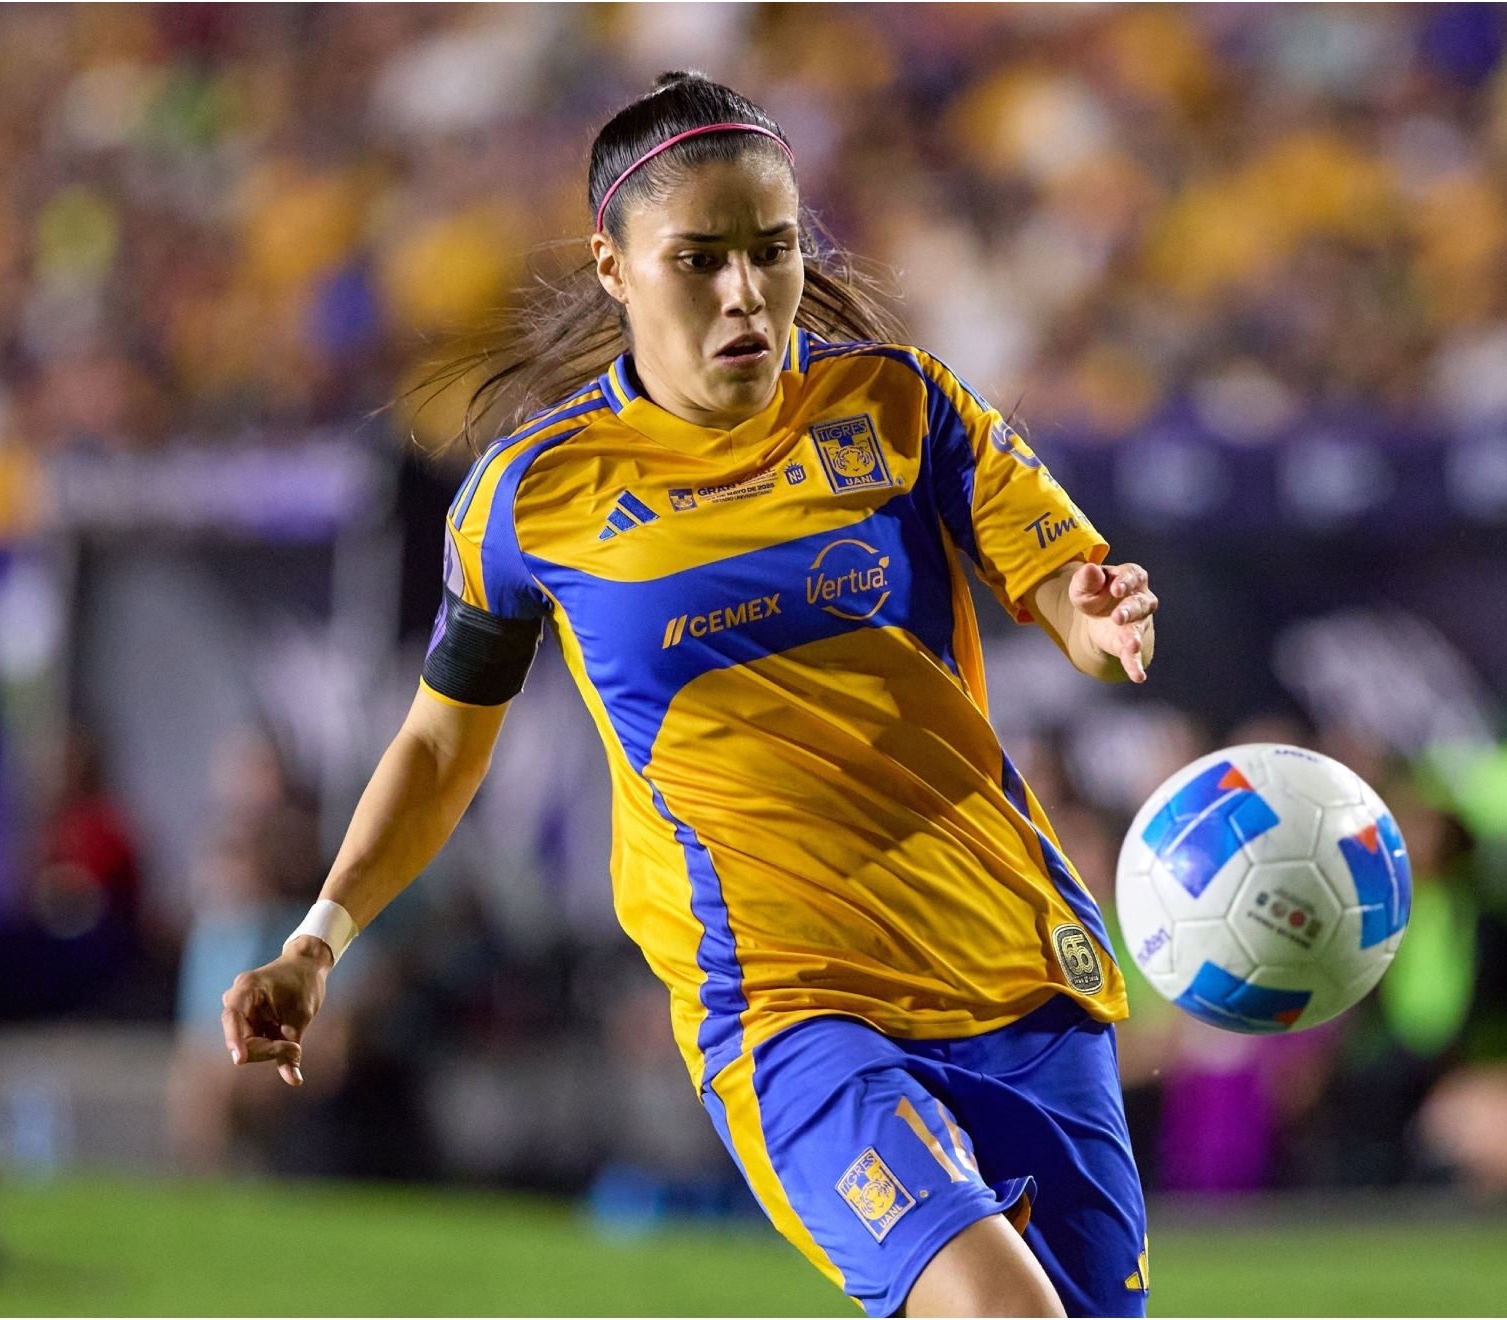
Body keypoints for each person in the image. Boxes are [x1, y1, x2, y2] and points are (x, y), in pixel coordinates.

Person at [220, 73, 1158, 1318]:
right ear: (613, 267)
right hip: (789, 1008)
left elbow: (1068, 597)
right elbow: (441, 747)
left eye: (771, 253)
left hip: (1013, 971)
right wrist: (318, 940)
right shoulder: (531, 499)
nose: (744, 296)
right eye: (698, 260)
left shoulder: (902, 408)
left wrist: (1095, 622)